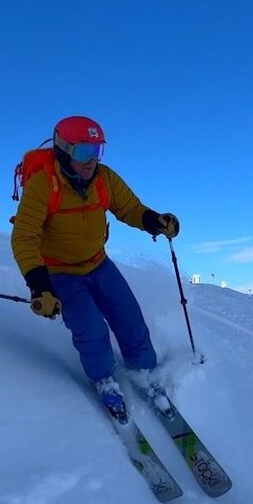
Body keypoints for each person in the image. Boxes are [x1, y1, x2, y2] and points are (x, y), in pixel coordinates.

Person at [11, 115, 179, 424]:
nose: (92, 161)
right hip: (60, 272)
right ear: (63, 150)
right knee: (91, 329)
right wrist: (39, 285)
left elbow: (130, 208)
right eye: (83, 152)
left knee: (128, 316)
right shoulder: (43, 185)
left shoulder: (105, 179)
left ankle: (144, 372)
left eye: (98, 152)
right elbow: (24, 235)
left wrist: (155, 221)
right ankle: (104, 379)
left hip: (99, 264)